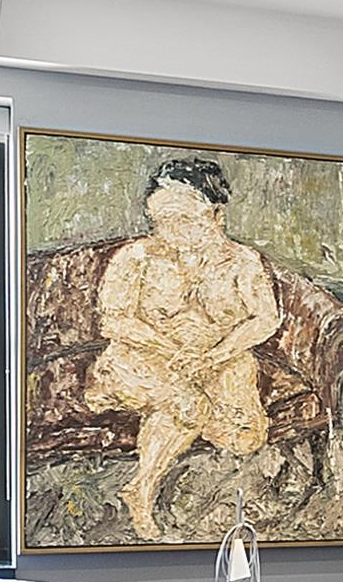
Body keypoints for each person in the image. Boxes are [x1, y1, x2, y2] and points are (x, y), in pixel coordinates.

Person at [87, 156, 280, 538]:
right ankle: (141, 490)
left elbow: (265, 319)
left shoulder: (244, 262)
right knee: (187, 404)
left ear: (217, 215)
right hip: (142, 356)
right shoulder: (136, 257)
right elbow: (114, 320)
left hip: (217, 360)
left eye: (186, 220)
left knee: (245, 437)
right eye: (162, 221)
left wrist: (213, 356)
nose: (172, 232)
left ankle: (192, 410)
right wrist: (170, 350)